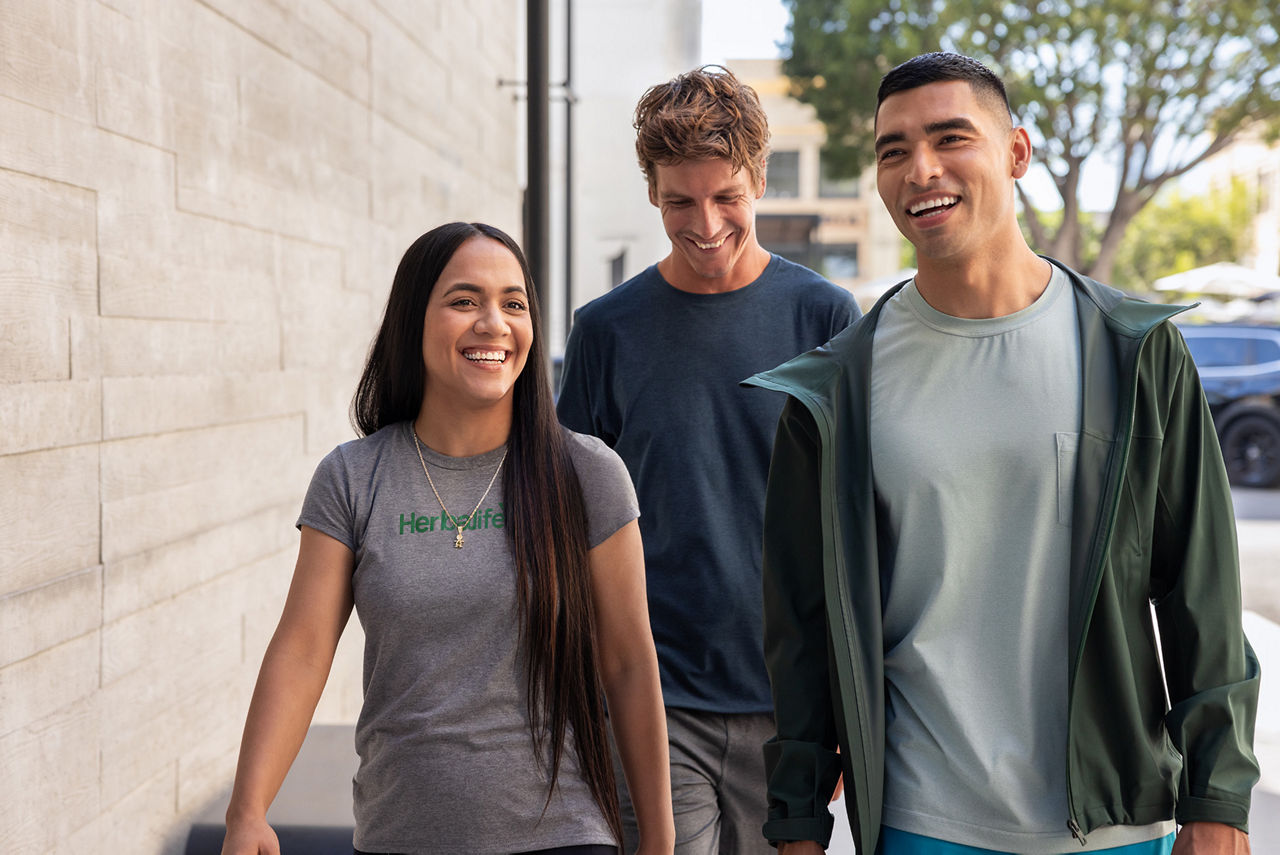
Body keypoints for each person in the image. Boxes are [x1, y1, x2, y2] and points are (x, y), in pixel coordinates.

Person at [747, 53, 1260, 855]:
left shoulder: (1133, 351)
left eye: (952, 137)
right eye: (893, 150)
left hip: (1114, 824)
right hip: (922, 822)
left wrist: (1219, 798)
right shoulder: (836, 386)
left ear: (1016, 153)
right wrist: (798, 818)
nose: (921, 170)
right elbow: (802, 628)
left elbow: (1201, 592)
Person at [221, 222, 675, 855]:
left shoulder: (586, 474)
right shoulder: (354, 478)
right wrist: (248, 810)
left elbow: (629, 663)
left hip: (563, 837)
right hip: (398, 835)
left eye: (514, 303)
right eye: (465, 301)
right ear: (415, 321)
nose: (494, 322)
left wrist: (658, 839)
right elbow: (301, 652)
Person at [556, 67, 860, 855]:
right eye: (678, 202)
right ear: (653, 195)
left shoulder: (826, 317)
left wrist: (839, 708)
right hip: (654, 701)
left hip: (788, 704)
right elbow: (566, 525)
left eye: (727, 196)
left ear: (760, 177)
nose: (705, 222)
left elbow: (857, 521)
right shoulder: (605, 332)